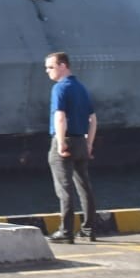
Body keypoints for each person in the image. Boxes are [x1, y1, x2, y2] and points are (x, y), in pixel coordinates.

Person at [44, 52, 98, 242]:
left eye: (50, 67)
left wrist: (60, 143)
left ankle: (66, 232)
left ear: (63, 65)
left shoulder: (60, 88)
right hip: (81, 141)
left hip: (65, 140)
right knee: (84, 187)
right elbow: (93, 119)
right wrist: (89, 144)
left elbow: (59, 117)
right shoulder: (81, 88)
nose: (47, 71)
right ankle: (88, 230)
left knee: (64, 188)